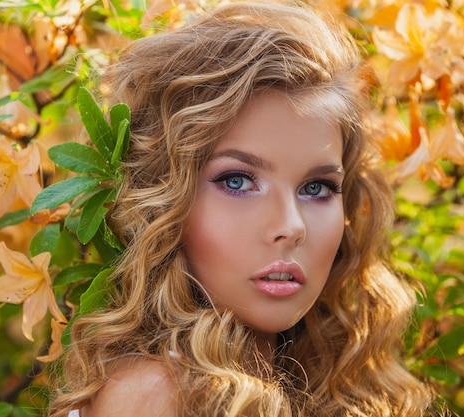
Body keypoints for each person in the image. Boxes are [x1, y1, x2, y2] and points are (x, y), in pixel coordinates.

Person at [48, 2, 442, 416]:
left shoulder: (341, 383)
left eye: (317, 187)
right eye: (236, 181)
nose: (291, 227)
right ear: (161, 199)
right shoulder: (155, 395)